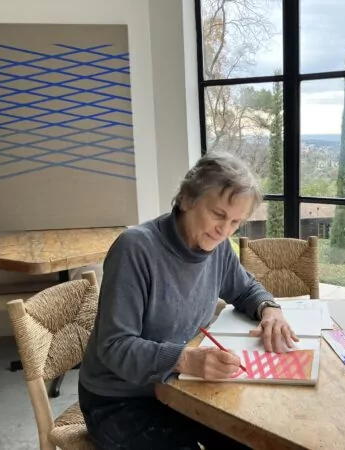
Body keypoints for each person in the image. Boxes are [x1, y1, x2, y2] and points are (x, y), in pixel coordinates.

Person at [78, 151, 299, 450]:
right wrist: (185, 359)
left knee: (252, 439)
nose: (224, 230)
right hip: (120, 398)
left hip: (181, 385)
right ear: (185, 199)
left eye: (236, 222)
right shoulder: (135, 249)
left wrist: (269, 309)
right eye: (218, 214)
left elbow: (245, 289)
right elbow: (114, 346)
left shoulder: (218, 247)